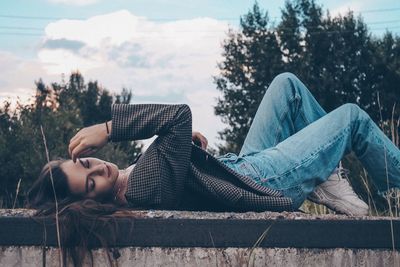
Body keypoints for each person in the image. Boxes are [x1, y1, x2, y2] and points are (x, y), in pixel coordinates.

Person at [28, 72, 400, 217]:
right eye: (91, 183)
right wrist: (110, 128)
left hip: (239, 167)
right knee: (351, 117)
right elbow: (178, 116)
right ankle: (396, 189)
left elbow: (175, 156)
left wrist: (183, 149)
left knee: (286, 87)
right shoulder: (138, 189)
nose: (98, 169)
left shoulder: (129, 181)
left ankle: (327, 177)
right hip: (260, 180)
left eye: (85, 165)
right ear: (93, 200)